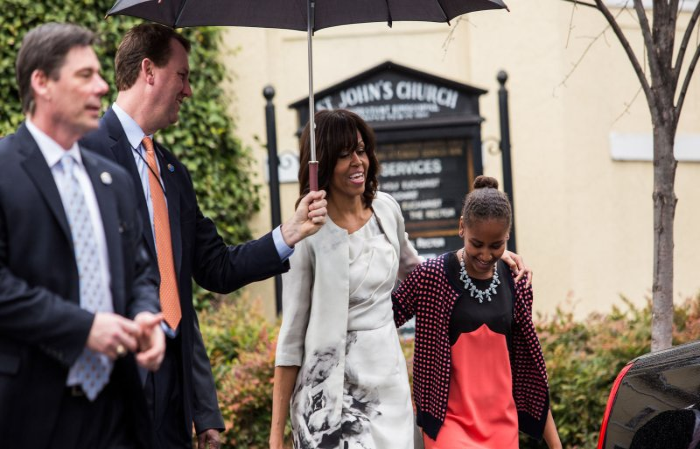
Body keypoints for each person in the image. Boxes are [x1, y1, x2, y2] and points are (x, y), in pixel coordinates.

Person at [80, 23, 327, 449]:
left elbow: (216, 268)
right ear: (149, 71)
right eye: (183, 75)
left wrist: (291, 232)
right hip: (112, 384)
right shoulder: (84, 156)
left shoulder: (173, 174)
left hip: (173, 390)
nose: (189, 90)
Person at [269, 110, 531, 449]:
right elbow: (290, 338)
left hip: (387, 383)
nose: (357, 162)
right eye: (345, 154)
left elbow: (424, 273)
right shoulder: (305, 232)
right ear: (322, 162)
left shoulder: (386, 210)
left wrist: (487, 261)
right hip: (330, 392)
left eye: (361, 150)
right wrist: (276, 435)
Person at [0, 22, 166, 449]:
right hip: (29, 414)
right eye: (84, 76)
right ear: (42, 82)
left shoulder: (112, 178)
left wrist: (145, 317)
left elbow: (142, 271)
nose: (101, 88)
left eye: (99, 75)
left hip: (117, 412)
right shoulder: (3, 169)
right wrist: (83, 328)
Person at [392, 176, 561, 448]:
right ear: (461, 227)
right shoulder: (431, 277)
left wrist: (555, 443)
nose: (485, 254)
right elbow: (385, 317)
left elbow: (526, 365)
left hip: (503, 427)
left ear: (507, 236)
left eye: (496, 245)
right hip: (448, 424)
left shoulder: (516, 281)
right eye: (477, 243)